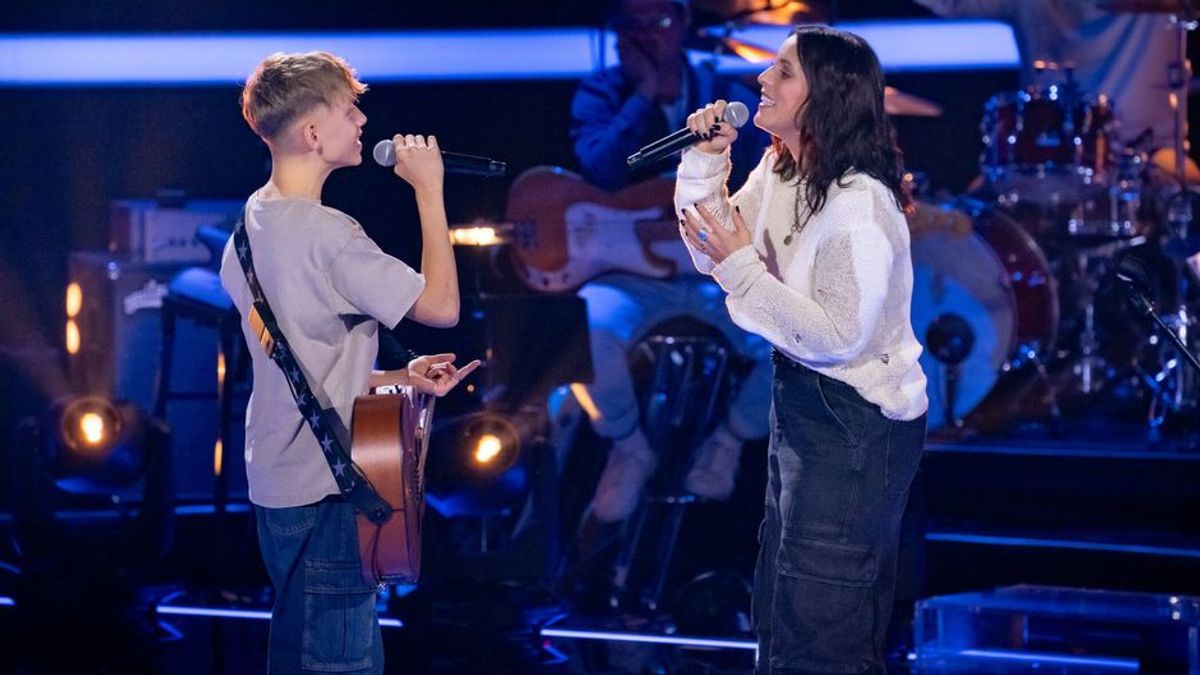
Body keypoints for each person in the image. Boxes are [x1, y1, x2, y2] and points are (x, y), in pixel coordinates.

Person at [675, 26, 929, 672]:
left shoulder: (860, 210)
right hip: (805, 403)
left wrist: (742, 270)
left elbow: (838, 336)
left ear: (826, 99)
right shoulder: (783, 168)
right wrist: (704, 161)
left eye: (783, 72)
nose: (762, 79)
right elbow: (712, 244)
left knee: (822, 628)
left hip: (856, 424)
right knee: (784, 602)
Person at [220, 51, 478, 674]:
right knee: (339, 661)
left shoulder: (244, 233)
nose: (362, 119)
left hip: (279, 486)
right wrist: (430, 190)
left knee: (298, 650)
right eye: (347, 109)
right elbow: (441, 306)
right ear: (312, 134)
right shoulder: (329, 233)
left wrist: (397, 377)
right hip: (331, 493)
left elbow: (303, 365)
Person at [569, 0, 774, 521]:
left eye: (657, 23)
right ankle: (628, 445)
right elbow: (601, 170)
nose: (645, 37)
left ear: (682, 23)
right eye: (632, 26)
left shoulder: (723, 92)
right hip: (631, 276)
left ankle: (729, 439)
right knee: (584, 327)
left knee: (791, 334)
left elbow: (760, 178)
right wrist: (642, 96)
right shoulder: (602, 91)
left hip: (714, 270)